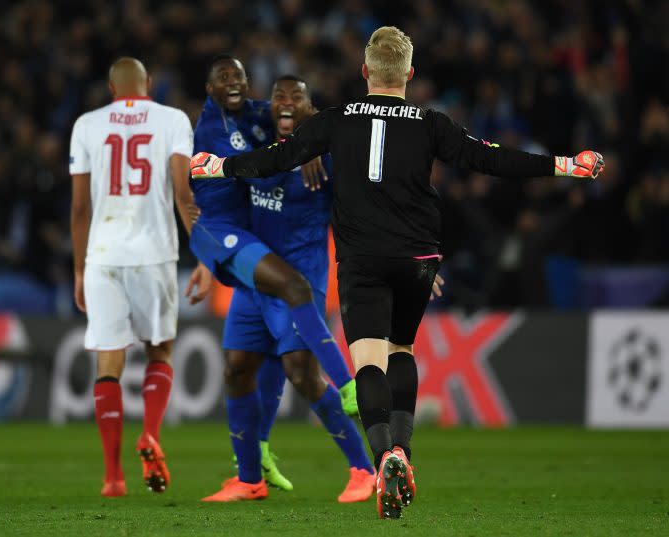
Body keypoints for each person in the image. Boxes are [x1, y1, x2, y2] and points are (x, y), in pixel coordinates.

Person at [190, 26, 605, 519]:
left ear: (365, 72)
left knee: (368, 364)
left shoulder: (338, 118)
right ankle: (403, 454)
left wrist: (218, 167)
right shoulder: (431, 122)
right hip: (418, 260)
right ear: (409, 73)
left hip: (362, 261)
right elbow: (488, 159)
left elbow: (277, 158)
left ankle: (383, 452)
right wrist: (565, 165)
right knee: (402, 349)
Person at [203, 76, 377, 503]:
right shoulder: (257, 147)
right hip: (254, 278)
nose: (285, 103)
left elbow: (356, 213)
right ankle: (249, 479)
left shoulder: (326, 160)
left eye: (295, 97)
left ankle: (363, 469)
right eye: (279, 96)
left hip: (299, 284)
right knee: (237, 368)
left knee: (301, 372)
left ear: (309, 109)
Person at [70, 57, 198, 497]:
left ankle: (112, 477)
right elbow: (184, 194)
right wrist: (204, 255)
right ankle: (151, 435)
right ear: (149, 84)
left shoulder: (86, 124)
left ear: (111, 87)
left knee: (108, 361)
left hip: (103, 256)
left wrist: (79, 270)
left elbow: (80, 209)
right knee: (159, 351)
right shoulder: (173, 120)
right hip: (154, 254)